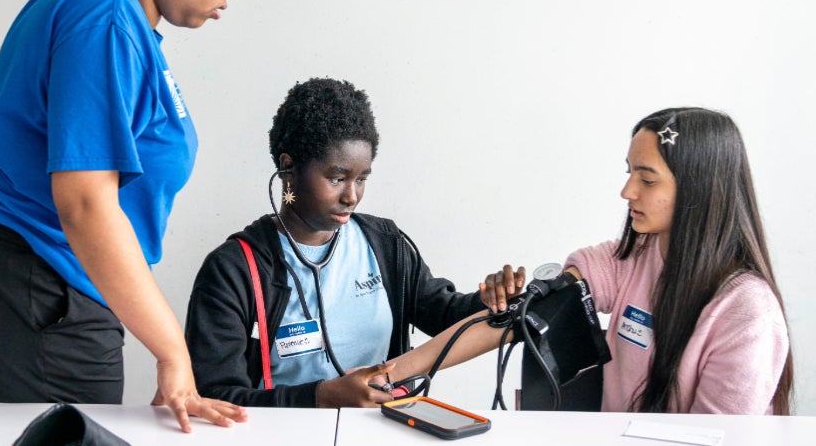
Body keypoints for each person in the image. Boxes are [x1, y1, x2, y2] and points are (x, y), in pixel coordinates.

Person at [0, 0, 255, 432]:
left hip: (29, 273)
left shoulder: (109, 3)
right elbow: (86, 204)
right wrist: (173, 351)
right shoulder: (105, 15)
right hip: (29, 277)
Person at [399, 107, 794, 414]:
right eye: (629, 173)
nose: (627, 192)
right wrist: (391, 374)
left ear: (700, 188)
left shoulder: (747, 314)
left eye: (647, 179)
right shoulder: (627, 260)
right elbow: (523, 315)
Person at [184, 77, 523, 408]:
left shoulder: (386, 246)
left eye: (362, 179)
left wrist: (491, 300)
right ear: (288, 168)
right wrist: (319, 398)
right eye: (337, 178)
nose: (351, 196)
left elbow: (445, 316)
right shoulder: (233, 269)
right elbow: (213, 396)